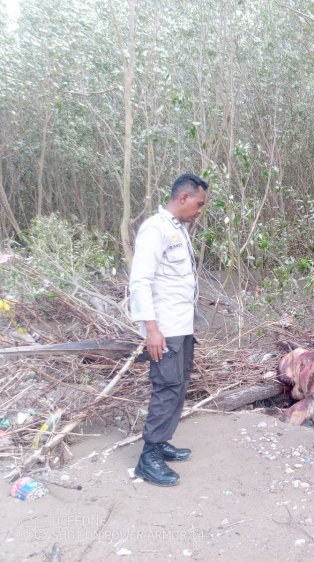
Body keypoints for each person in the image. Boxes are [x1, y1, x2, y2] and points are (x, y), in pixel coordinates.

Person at [128, 173, 209, 486]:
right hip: (163, 329)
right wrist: (151, 329)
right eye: (199, 204)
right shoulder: (155, 229)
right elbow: (141, 281)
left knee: (178, 384)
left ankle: (161, 443)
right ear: (183, 198)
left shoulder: (177, 229)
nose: (200, 210)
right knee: (166, 387)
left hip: (181, 326)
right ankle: (148, 458)